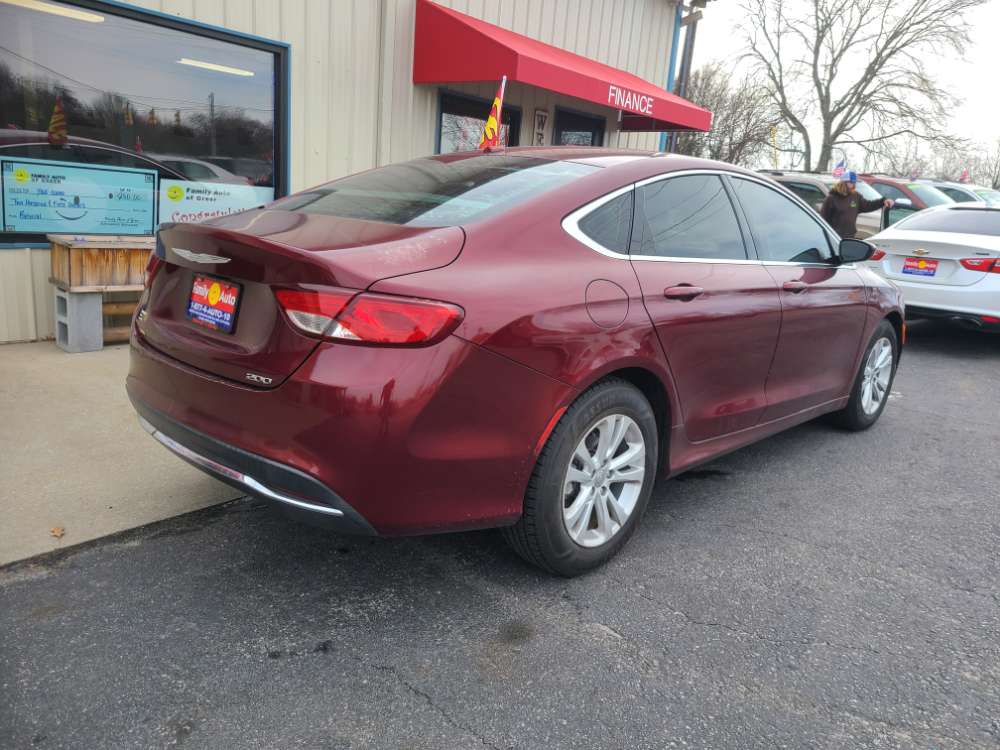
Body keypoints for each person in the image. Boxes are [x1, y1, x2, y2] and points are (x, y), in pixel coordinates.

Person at [819, 171, 892, 238]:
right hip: (834, 236)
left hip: (850, 236)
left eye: (854, 182)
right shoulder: (831, 198)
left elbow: (868, 205)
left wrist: (883, 201)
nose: (853, 185)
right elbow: (823, 219)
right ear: (843, 182)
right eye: (851, 182)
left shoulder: (855, 196)